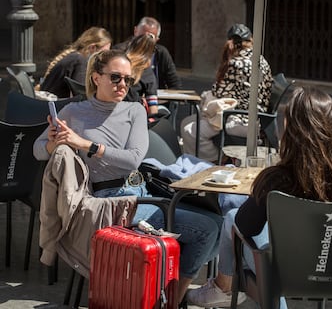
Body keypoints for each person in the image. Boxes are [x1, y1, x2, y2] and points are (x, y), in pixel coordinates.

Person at [33, 49, 221, 304]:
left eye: (128, 80)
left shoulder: (134, 110)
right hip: (107, 202)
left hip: (142, 195)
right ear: (96, 78)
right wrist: (54, 144)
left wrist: (84, 143)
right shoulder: (73, 113)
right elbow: (37, 150)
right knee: (207, 228)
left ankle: (165, 293)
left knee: (216, 220)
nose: (122, 84)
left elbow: (133, 159)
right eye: (115, 77)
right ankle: (172, 300)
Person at [186, 86, 332, 308]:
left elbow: (245, 226)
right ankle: (223, 288)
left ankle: (222, 288)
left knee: (233, 218)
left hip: (289, 274)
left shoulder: (278, 178)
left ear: (290, 129)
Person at [180, 23, 273, 162]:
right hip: (258, 119)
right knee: (189, 122)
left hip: (240, 119)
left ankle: (213, 161)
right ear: (250, 40)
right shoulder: (261, 60)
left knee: (189, 129)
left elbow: (218, 92)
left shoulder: (236, 63)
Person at [39, 26, 112, 98]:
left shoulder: (74, 57)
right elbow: (81, 95)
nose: (105, 57)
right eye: (104, 53)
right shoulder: (80, 61)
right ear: (92, 47)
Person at [114, 16, 182, 89]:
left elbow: (174, 82)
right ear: (135, 31)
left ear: (157, 39)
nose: (145, 41)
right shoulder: (120, 51)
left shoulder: (161, 52)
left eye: (150, 37)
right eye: (142, 36)